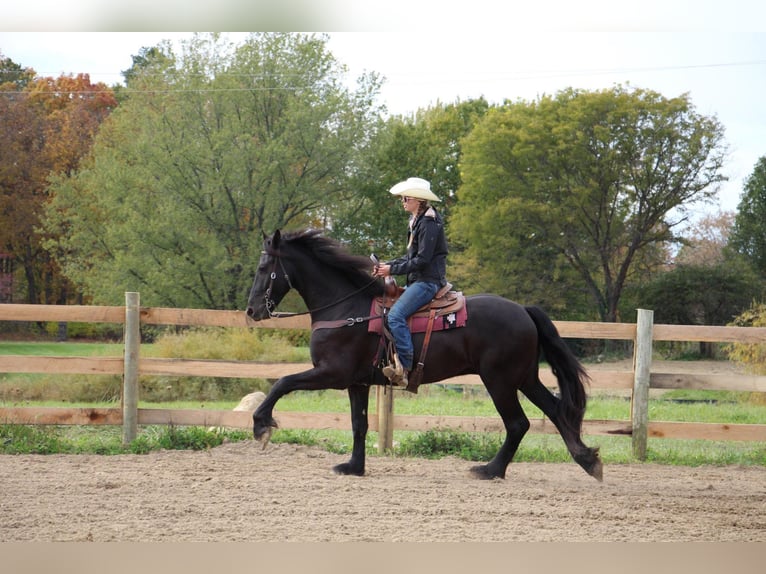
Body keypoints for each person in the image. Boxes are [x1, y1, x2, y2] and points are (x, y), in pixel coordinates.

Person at [372, 177, 448, 387]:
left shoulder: (429, 223)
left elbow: (422, 261)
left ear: (418, 199)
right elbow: (410, 259)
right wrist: (387, 265)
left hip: (428, 282)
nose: (402, 201)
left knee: (395, 316)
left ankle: (405, 367)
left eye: (406, 197)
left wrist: (392, 269)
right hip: (419, 280)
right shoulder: (418, 221)